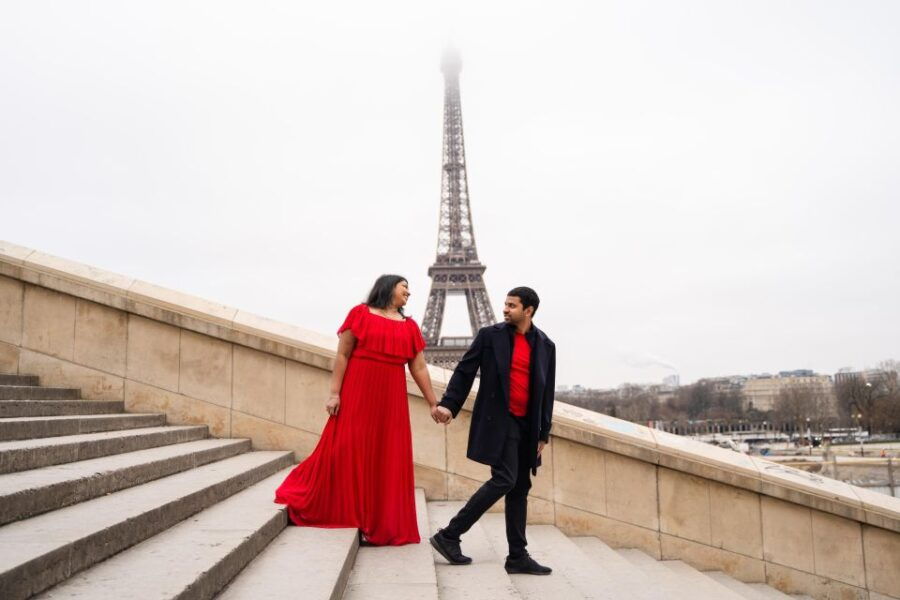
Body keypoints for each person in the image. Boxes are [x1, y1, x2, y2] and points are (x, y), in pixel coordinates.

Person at [274, 275, 446, 546]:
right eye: (405, 288)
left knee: (385, 454)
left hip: (391, 399)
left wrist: (433, 402)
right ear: (389, 288)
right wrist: (334, 393)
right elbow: (342, 354)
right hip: (358, 391)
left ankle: (376, 519)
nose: (409, 294)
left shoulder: (410, 327)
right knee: (348, 447)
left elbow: (419, 368)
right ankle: (350, 510)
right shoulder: (360, 314)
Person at [429, 286, 556, 575]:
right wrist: (449, 404)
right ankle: (449, 534)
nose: (505, 309)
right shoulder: (490, 337)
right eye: (505, 304)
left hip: (527, 425)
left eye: (512, 305)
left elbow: (547, 392)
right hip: (501, 420)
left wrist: (543, 433)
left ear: (529, 310)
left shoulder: (546, 345)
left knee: (520, 487)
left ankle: (517, 556)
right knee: (505, 479)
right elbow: (464, 370)